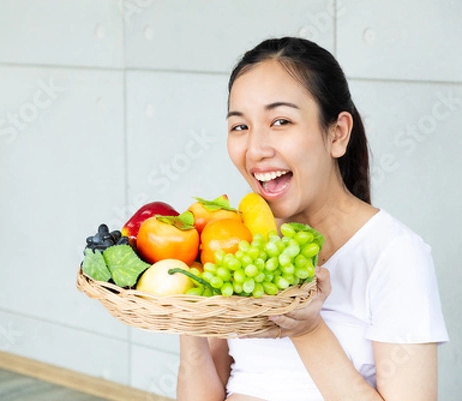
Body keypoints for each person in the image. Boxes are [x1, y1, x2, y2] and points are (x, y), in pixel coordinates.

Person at [176, 37, 449, 401]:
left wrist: (308, 329)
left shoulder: (396, 255)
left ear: (337, 133)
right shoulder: (237, 244)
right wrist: (186, 318)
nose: (256, 149)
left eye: (281, 121)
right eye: (240, 126)